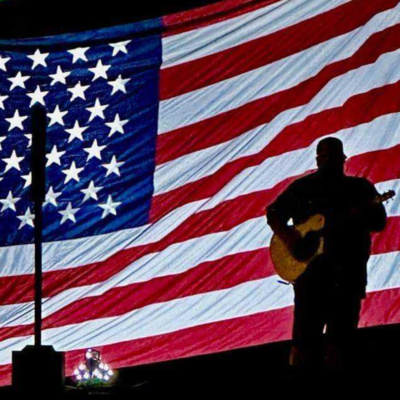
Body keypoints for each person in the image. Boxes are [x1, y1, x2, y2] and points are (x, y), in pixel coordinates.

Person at [266, 137, 387, 368]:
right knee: (304, 344)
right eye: (325, 156)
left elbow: (379, 222)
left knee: (341, 346)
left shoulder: (359, 188)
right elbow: (274, 213)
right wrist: (292, 241)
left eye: (334, 156)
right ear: (318, 160)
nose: (330, 161)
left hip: (348, 278)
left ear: (343, 159)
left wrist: (359, 214)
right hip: (311, 279)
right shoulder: (303, 188)